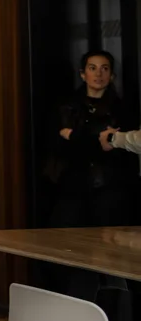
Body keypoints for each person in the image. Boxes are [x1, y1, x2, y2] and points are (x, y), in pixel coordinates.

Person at [52, 50, 135, 230]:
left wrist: (74, 135)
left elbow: (117, 147)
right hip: (72, 185)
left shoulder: (122, 109)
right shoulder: (68, 106)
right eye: (93, 68)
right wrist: (99, 140)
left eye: (104, 69)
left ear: (112, 76)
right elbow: (62, 146)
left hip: (108, 185)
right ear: (83, 74)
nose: (99, 74)